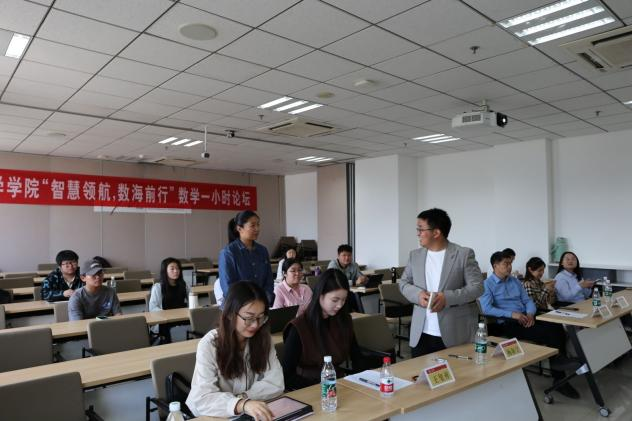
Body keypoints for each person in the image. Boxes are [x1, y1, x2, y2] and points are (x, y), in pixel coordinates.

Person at [480, 250, 580, 399]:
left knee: (556, 324)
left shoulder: (515, 281)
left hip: (527, 316)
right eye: (506, 264)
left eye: (510, 263)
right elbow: (487, 309)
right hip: (509, 322)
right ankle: (559, 375)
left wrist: (530, 313)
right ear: (495, 266)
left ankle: (558, 362)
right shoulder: (487, 284)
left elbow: (528, 301)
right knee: (548, 332)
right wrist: (512, 314)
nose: (509, 267)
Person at [186, 281, 284, 420]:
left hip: (250, 413)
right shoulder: (209, 345)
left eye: (261, 317)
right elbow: (203, 398)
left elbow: (276, 383)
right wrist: (241, 404)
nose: (255, 325)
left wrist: (243, 399)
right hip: (215, 416)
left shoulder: (263, 339)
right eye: (249, 318)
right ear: (230, 314)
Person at [400, 208, 483, 357]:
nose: (418, 233)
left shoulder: (463, 254)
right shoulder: (415, 255)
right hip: (421, 332)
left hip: (454, 332)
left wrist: (447, 298)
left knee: (456, 371)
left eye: (421, 229)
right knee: (419, 371)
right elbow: (404, 283)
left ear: (436, 233)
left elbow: (477, 287)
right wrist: (418, 295)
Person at [282, 268, 360, 390]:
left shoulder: (344, 320)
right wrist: (322, 387)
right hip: (307, 387)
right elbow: (287, 376)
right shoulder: (298, 327)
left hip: (338, 383)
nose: (340, 305)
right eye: (335, 300)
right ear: (320, 295)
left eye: (344, 300)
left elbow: (357, 356)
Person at [219, 210, 274, 305]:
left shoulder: (262, 250)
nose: (257, 229)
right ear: (239, 228)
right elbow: (228, 287)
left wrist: (265, 300)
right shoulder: (228, 252)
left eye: (258, 224)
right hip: (238, 307)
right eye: (252, 225)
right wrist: (247, 305)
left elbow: (269, 281)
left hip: (260, 305)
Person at [148, 257, 190, 343]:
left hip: (182, 318)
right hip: (165, 321)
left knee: (196, 324)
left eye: (178, 268)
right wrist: (170, 315)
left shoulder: (184, 286)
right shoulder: (158, 287)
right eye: (172, 269)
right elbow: (153, 308)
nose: (176, 271)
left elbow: (191, 303)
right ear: (165, 271)